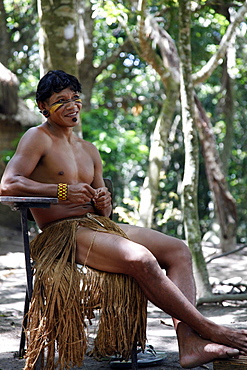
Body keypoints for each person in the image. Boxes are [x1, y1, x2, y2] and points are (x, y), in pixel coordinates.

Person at [1, 70, 247, 369]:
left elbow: (103, 207)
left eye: (74, 98)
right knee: (141, 259)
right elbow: (8, 183)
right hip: (62, 234)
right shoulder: (36, 138)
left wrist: (104, 201)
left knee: (178, 249)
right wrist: (62, 190)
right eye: (60, 101)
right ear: (43, 107)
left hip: (97, 225)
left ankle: (190, 342)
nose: (71, 105)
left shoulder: (88, 149)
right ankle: (209, 329)